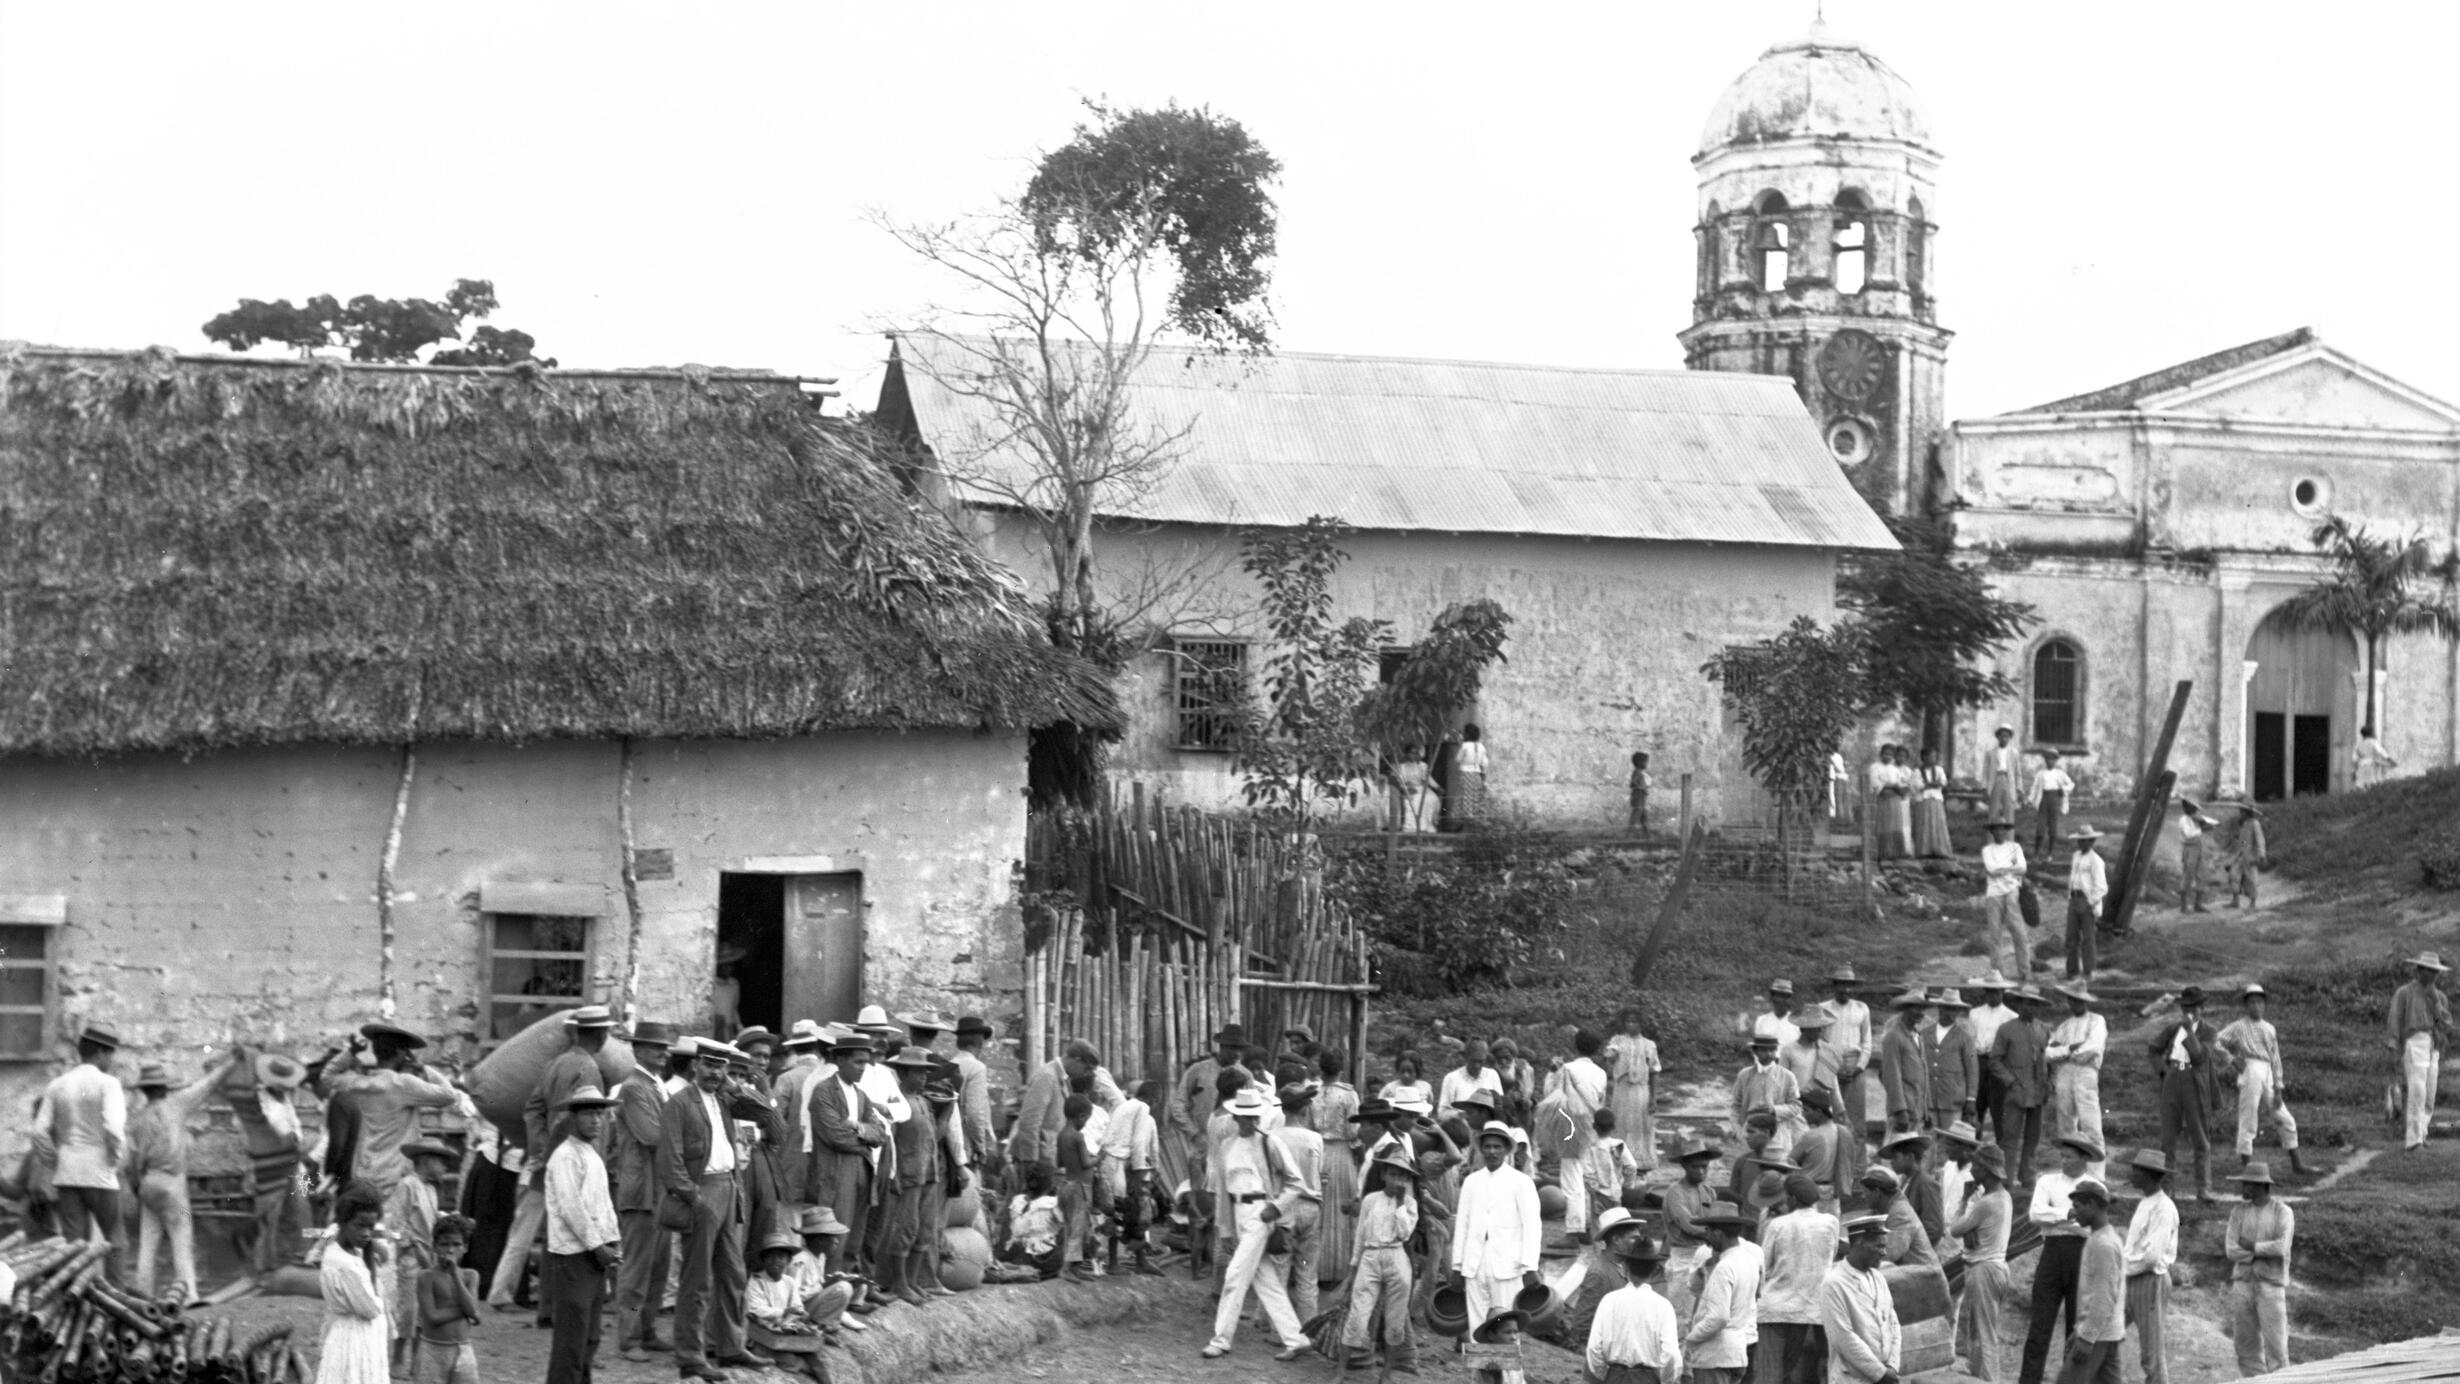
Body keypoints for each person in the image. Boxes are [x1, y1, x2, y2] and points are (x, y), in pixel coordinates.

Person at [661, 1038, 771, 1382]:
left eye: (721, 1066)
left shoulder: (725, 1099)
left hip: (728, 1187)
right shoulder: (679, 1103)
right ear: (695, 1066)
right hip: (701, 1192)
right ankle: (691, 1356)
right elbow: (670, 1160)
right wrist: (694, 1197)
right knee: (697, 1280)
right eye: (709, 1065)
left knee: (733, 1273)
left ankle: (730, 1345)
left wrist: (735, 1085)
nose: (714, 1072)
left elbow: (766, 1112)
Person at [1200, 1088, 1311, 1362]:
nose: (1247, 1121)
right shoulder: (1227, 1146)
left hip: (1260, 1212)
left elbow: (1296, 1181)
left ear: (1258, 1117)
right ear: (1235, 1117)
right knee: (1266, 1280)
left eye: (1252, 1116)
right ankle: (1296, 1338)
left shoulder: (1269, 1143)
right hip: (1237, 1212)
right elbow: (1224, 1192)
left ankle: (1221, 1339)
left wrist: (1275, 1208)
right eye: (1242, 1116)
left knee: (1235, 1274)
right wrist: (1225, 1229)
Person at [127, 1051, 238, 1302]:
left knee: (148, 1239)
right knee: (182, 1235)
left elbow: (132, 1162)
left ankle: (143, 1293)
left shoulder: (138, 1119)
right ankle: (189, 1295)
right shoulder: (177, 1104)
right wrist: (232, 1061)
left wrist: (137, 1186)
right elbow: (208, 1084)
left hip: (148, 1182)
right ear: (163, 1087)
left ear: (145, 1091)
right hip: (172, 1184)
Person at [320, 1022, 459, 1198]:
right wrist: (423, 1067)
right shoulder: (404, 1084)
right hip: (396, 1174)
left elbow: (328, 1076)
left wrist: (351, 1052)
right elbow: (449, 1095)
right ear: (402, 1053)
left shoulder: (362, 1082)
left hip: (365, 1171)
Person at [542, 1085, 622, 1384]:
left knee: (590, 1335)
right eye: (588, 1114)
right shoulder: (564, 1157)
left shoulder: (591, 1155)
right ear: (573, 1118)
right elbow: (571, 1207)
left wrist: (613, 1242)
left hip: (595, 1255)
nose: (595, 1121)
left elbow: (603, 1204)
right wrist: (596, 1244)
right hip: (572, 1255)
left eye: (600, 1114)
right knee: (571, 1338)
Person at [33, 1023, 127, 1273]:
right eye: (110, 1054)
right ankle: (116, 1300)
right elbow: (114, 1128)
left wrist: (55, 1159)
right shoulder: (108, 1084)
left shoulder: (57, 1085)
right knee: (114, 1240)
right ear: (100, 1053)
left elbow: (39, 1131)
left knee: (74, 1245)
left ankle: (76, 1300)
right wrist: (113, 1159)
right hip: (99, 1170)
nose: (111, 1060)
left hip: (67, 1172)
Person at [611, 1021, 676, 1361]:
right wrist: (684, 1134)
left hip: (659, 1191)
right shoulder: (634, 1088)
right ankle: (629, 1337)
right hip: (642, 1191)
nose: (663, 1053)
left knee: (658, 1268)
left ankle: (647, 1330)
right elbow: (652, 1136)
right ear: (637, 1050)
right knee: (637, 1269)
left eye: (665, 1047)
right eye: (655, 1047)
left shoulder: (656, 1086)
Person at [1449, 1121, 1543, 1353]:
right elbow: (1463, 1225)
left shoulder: (1521, 1182)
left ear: (1506, 1150)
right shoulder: (1472, 1182)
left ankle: (1511, 1378)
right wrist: (1457, 1265)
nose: (1492, 1152)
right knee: (1477, 1328)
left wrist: (1530, 1265)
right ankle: (1482, 1377)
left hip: (1507, 1265)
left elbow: (1532, 1226)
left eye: (1497, 1147)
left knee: (1507, 1329)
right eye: (1488, 1146)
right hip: (1475, 1264)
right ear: (1481, 1148)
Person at [2017, 1135, 2100, 1384]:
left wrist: (2056, 1217)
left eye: (2070, 1157)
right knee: (2040, 1324)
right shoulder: (2047, 1182)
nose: (2064, 1161)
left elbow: (2090, 1227)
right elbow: (2035, 1214)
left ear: (2084, 1158)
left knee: (2075, 1327)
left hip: (2082, 1255)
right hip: (2052, 1253)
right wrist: (2068, 1213)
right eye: (2062, 1156)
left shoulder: (2095, 1187)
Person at [806, 1030, 883, 1288]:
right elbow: (834, 1136)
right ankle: (829, 1292)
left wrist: (857, 1127)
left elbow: (880, 1133)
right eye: (858, 1062)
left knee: (855, 1236)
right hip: (836, 1172)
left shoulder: (861, 1096)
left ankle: (850, 1292)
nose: (864, 1068)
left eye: (866, 1062)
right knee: (835, 1234)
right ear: (840, 1061)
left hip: (862, 1169)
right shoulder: (824, 1092)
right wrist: (864, 1140)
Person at [1341, 1145, 1420, 1373]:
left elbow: (1405, 1233)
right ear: (1384, 1174)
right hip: (1370, 1256)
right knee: (1357, 1316)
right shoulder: (1370, 1200)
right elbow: (1360, 1236)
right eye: (1393, 1174)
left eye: (1403, 1176)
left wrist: (1399, 1204)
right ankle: (1341, 1372)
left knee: (1395, 1321)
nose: (1397, 1180)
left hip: (1396, 1255)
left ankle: (1386, 1374)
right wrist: (1353, 1267)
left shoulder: (1410, 1204)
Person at [878, 1045, 944, 1301]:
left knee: (925, 1228)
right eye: (917, 1073)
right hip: (908, 1172)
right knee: (906, 1226)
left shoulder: (924, 1102)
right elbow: (890, 1139)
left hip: (928, 1171)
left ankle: (914, 1280)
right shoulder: (896, 1101)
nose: (923, 1077)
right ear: (903, 1073)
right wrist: (893, 1173)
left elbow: (932, 1137)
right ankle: (899, 1282)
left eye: (925, 1073)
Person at [2149, 988, 2226, 1203]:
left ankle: (2203, 1189)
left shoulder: (2209, 1031)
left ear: (2203, 1009)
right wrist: (2163, 1070)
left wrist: (2190, 1032)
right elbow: (2154, 1048)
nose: (2190, 1012)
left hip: (2195, 1081)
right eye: (2186, 1008)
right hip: (2173, 1077)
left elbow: (2200, 1056)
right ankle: (2167, 1188)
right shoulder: (2173, 1028)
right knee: (2167, 1138)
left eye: (2195, 1008)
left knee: (2200, 1137)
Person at [2216, 986, 2304, 1173]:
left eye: (2259, 1002)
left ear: (2264, 1005)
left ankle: (2296, 1163)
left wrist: (2279, 1088)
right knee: (2249, 1117)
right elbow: (2217, 1041)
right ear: (2246, 1006)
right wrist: (2232, 1060)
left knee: (2284, 1117)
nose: (2256, 1006)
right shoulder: (2239, 1026)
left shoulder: (2269, 1028)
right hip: (2250, 1069)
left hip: (2267, 1072)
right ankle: (2247, 1165)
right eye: (2252, 1003)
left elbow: (2275, 1058)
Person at [1753, 1180, 1832, 1384]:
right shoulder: (1831, 1223)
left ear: (1793, 1199)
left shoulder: (1777, 1224)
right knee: (1792, 1369)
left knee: (1768, 1373)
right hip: (1809, 1310)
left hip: (1775, 1309)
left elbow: (1764, 1267)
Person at [1950, 1146, 2014, 1384]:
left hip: (1983, 1270)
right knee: (1979, 1334)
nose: (1972, 1170)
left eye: (1976, 1166)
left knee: (1984, 1336)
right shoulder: (2003, 1197)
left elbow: (1955, 1229)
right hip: (1995, 1268)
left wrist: (1965, 1198)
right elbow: (1971, 1232)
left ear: (1986, 1170)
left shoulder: (1985, 1203)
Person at [2224, 1163, 2294, 1377]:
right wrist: (2261, 1252)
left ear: (2261, 1185)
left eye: (2248, 1184)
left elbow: (2281, 1247)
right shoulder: (2238, 1212)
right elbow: (2231, 1250)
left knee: (2277, 1349)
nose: (2243, 1188)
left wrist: (2253, 1247)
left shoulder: (2282, 1212)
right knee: (2245, 1346)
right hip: (2243, 1284)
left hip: (2270, 1286)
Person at [319, 1182, 394, 1384]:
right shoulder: (343, 1264)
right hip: (352, 1338)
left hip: (363, 1335)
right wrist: (379, 1300)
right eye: (360, 1225)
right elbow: (370, 1309)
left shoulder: (355, 1252)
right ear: (342, 1223)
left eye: (371, 1226)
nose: (366, 1233)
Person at [386, 1141, 451, 1373]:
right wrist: (413, 1246)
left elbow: (432, 1220)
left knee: (425, 1310)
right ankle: (397, 1359)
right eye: (440, 1161)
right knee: (408, 1309)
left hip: (429, 1255)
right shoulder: (408, 1185)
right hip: (410, 1256)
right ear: (425, 1161)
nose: (444, 1166)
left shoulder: (431, 1190)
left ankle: (416, 1360)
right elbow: (397, 1222)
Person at [1265, 1082, 1326, 1326]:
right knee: (1306, 1271)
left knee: (1279, 1269)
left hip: (1284, 1208)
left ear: (1284, 1109)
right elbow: (1321, 1175)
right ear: (1303, 1110)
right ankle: (1308, 1326)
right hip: (1310, 1207)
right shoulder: (1315, 1139)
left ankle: (1279, 1329)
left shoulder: (1272, 1138)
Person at [2114, 1150, 2176, 1384]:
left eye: (2136, 1170)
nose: (2131, 1173)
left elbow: (2151, 1257)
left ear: (2148, 1175)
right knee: (2107, 1333)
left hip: (2150, 1279)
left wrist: (2124, 1269)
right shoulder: (2145, 1203)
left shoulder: (2164, 1208)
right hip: (2132, 1278)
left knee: (2151, 1352)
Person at [1820, 1212, 1903, 1384]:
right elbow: (1842, 1337)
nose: (1884, 1253)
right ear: (1860, 1243)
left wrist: (1893, 1366)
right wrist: (1880, 1373)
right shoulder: (1834, 1283)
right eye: (1879, 1246)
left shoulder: (1878, 1277)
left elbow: (1893, 1323)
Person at [1590, 1231, 1683, 1384]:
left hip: (1615, 1376)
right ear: (1655, 1270)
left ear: (1625, 1267)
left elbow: (1594, 1348)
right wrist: (1667, 1380)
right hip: (1647, 1378)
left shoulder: (1610, 1301)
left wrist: (1603, 1376)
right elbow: (1671, 1354)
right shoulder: (1663, 1306)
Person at [2057, 1179, 2125, 1384]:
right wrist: (2080, 1330)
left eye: (2077, 1207)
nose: (2074, 1213)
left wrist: (2086, 1337)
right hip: (2106, 1333)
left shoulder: (2104, 1244)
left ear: (2092, 1205)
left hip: (2098, 1336)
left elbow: (2104, 1297)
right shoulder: (2099, 1238)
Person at [1547, 1030, 1611, 1235]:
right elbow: (1601, 1102)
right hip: (1592, 1126)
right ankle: (1589, 1226)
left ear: (1576, 1046)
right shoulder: (1601, 1073)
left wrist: (1551, 1072)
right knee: (1587, 1175)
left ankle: (1574, 1230)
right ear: (1598, 1049)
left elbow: (1550, 1095)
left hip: (1569, 1125)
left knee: (1571, 1177)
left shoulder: (1565, 1069)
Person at [743, 1230, 827, 1383]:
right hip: (762, 1334)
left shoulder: (789, 1281)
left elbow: (796, 1306)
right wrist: (783, 1311)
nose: (776, 1261)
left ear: (788, 1261)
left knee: (814, 1358)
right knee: (788, 1358)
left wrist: (799, 1314)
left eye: (781, 1257)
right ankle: (799, 1366)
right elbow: (754, 1309)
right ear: (764, 1260)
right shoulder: (757, 1281)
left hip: (784, 1331)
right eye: (771, 1257)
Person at [2388, 951, 2451, 1152]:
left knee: (2430, 1094)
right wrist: (2393, 1044)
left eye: (2436, 971)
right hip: (2414, 1042)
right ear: (2420, 970)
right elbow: (2395, 1019)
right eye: (2430, 970)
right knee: (2417, 1090)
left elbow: (2446, 1023)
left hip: (2433, 1045)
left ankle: (2422, 1133)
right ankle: (2413, 1140)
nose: (2434, 975)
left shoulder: (2439, 996)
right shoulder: (2405, 992)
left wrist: (2436, 1003)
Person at [1099, 1076, 1161, 1276]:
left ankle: (1138, 1260)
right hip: (1116, 1162)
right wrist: (1143, 1175)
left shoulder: (1126, 1106)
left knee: (1127, 1210)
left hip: (1115, 1161)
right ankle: (1114, 1263)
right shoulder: (1143, 1109)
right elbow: (1138, 1143)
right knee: (1119, 1211)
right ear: (1154, 1100)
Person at [1990, 987, 2052, 1185]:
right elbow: (1995, 1061)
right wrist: (2010, 1081)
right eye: (2026, 1002)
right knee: (2009, 1137)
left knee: (2033, 1138)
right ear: (2018, 1004)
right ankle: (2006, 1178)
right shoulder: (2006, 1029)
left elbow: (2048, 1058)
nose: (2030, 1007)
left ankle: (2028, 1176)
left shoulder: (2043, 1029)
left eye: (2034, 1003)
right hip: (2015, 1093)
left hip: (2038, 1092)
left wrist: (2049, 1081)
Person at [414, 1215, 483, 1384]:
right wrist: (467, 1312)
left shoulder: (470, 1276)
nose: (450, 1250)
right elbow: (433, 1317)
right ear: (435, 1247)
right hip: (433, 1349)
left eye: (456, 1244)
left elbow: (473, 1311)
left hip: (463, 1349)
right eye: (444, 1244)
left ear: (465, 1247)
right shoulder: (426, 1277)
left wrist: (455, 1276)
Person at [2047, 985, 2108, 1174]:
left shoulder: (2096, 1021)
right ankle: (2070, 1169)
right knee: (2065, 1121)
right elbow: (2048, 1052)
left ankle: (2096, 1175)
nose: (2075, 1003)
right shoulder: (2064, 1026)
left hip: (2086, 1072)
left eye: (2079, 1000)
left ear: (2086, 1002)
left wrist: (2066, 1051)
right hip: (2064, 1072)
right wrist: (2069, 1049)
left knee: (2090, 1122)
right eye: (2072, 1000)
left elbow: (2092, 1048)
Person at [1825, 966, 1874, 1184]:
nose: (1845, 989)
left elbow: (1867, 1042)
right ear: (1834, 986)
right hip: (1831, 1066)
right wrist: (1832, 1067)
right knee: (1832, 1118)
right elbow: (1821, 1042)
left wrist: (1859, 1067)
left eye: (1848, 985)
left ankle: (1857, 1174)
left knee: (1857, 1124)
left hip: (1855, 1067)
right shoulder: (1824, 1009)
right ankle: (1832, 1171)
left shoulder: (1861, 1009)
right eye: (1840, 984)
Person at [1662, 1138, 1718, 1323]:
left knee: (1703, 1313)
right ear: (1685, 1166)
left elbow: (1717, 1218)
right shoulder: (1675, 1192)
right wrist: (1715, 1233)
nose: (1701, 1171)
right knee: (1680, 1315)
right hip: (1683, 1255)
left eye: (1704, 1167)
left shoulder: (1708, 1191)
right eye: (1696, 1167)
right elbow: (1688, 1225)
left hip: (1705, 1254)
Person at [787, 1206, 863, 1340]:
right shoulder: (800, 1260)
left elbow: (816, 1282)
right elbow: (792, 1297)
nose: (837, 1241)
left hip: (810, 1304)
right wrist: (825, 1286)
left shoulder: (820, 1256)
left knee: (857, 1285)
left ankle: (827, 1322)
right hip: (799, 1311)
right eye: (833, 1238)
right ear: (819, 1240)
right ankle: (816, 1326)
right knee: (843, 1289)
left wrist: (834, 1279)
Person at [1604, 1011, 1662, 1172]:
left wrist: (1653, 1098)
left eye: (1635, 1021)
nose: (1631, 1025)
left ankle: (1640, 1160)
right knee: (1621, 1122)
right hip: (1622, 1088)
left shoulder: (1649, 1044)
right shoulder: (1618, 1040)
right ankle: (1619, 1159)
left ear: (1641, 1024)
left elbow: (1654, 1071)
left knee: (1640, 1125)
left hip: (1640, 1090)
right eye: (1628, 1021)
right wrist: (1613, 1052)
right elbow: (1609, 1056)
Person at [1980, 820, 2032, 978]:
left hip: (2011, 890)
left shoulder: (2014, 847)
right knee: (1995, 934)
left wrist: (2003, 869)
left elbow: (2022, 868)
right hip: (1994, 893)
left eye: (2002, 829)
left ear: (2006, 831)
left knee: (2019, 932)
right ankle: (1997, 973)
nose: (1999, 832)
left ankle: (2025, 971)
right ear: (1992, 832)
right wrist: (2010, 869)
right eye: (1996, 830)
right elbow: (1991, 870)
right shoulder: (1988, 850)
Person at [1860, 1166, 1936, 1269]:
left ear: (1877, 1192)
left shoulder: (1900, 1212)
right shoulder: (1879, 1210)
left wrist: (1856, 1251)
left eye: (1865, 1192)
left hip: (1923, 1275)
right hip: (1906, 1272)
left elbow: (1892, 1252)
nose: (1863, 1197)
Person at [1879, 991, 1932, 1136]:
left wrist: (1927, 1110)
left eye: (1922, 1009)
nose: (1920, 1013)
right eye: (1916, 1008)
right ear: (1906, 1009)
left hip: (1917, 1109)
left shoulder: (1917, 1036)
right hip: (1904, 1112)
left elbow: (1924, 1075)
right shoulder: (1894, 1036)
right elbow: (1891, 1076)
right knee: (1897, 1151)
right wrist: (1899, 1110)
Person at [1928, 991, 1979, 1134]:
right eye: (1945, 1008)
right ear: (1938, 1008)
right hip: (1929, 1099)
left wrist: (1971, 1098)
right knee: (1928, 1142)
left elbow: (1972, 1070)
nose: (1948, 1013)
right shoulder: (1925, 1034)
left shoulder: (1964, 1038)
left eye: (1953, 1009)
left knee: (1949, 1142)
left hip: (1952, 1100)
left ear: (1958, 1011)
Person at [2062, 826, 2108, 982]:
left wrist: (2091, 902)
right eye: (2079, 841)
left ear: (2092, 841)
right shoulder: (2076, 856)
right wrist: (2069, 896)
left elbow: (2101, 886)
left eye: (2085, 841)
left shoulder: (2096, 860)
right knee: (2071, 937)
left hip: (2086, 899)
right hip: (2074, 898)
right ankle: (2072, 971)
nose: (2081, 844)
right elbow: (2073, 878)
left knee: (2088, 938)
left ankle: (2089, 970)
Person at [1002, 1163, 1065, 1278]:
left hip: (1020, 1257)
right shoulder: (1052, 1203)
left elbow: (1010, 1231)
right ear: (1050, 1184)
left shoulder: (1017, 1201)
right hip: (1045, 1261)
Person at [2215, 803, 2269, 909]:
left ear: (2247, 813)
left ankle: (2252, 903)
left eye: (2242, 812)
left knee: (2251, 879)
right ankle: (2235, 901)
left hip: (2251, 857)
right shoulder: (2244, 824)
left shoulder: (2254, 823)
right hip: (2240, 856)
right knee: (2233, 874)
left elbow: (2260, 840)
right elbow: (2243, 841)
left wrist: (2262, 855)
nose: (2240, 814)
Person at [2026, 750, 2073, 860]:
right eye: (2048, 759)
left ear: (2056, 761)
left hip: (2055, 799)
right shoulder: (2041, 774)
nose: (2050, 762)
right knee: (2040, 828)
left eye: (2052, 759)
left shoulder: (2060, 773)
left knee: (2053, 828)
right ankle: (2036, 853)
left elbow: (2071, 784)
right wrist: (2029, 800)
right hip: (2044, 799)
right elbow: (2035, 788)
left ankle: (2049, 854)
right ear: (2045, 760)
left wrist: (2064, 790)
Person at [1439, 1039, 1500, 1125]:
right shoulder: (1452, 1078)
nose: (1477, 1065)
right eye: (1473, 1061)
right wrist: (1462, 1115)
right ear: (1465, 1057)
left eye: (1481, 1061)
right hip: (1461, 1130)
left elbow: (1500, 1107)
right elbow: (1441, 1113)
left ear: (1486, 1059)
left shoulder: (1492, 1075)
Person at [1870, 746, 1911, 862]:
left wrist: (1899, 788)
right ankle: (1882, 852)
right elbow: (1875, 783)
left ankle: (1895, 852)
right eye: (1885, 753)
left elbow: (1901, 784)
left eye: (1890, 754)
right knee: (1884, 825)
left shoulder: (1895, 769)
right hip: (1883, 799)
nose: (1887, 756)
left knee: (1895, 825)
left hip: (1895, 800)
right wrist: (1891, 785)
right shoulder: (1875, 767)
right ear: (1881, 754)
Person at [1911, 747, 1953, 860]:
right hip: (1923, 800)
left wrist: (1928, 784)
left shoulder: (1939, 769)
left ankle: (1940, 850)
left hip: (1936, 799)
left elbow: (1943, 782)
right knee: (1924, 824)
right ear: (1923, 758)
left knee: (1938, 824)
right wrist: (1933, 784)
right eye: (1930, 756)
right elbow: (1918, 786)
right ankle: (1924, 850)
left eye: (1934, 756)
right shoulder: (1917, 771)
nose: (1933, 759)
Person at [2176, 800, 2217, 913]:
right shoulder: (2183, 820)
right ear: (2187, 808)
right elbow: (2189, 834)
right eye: (2194, 808)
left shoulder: (2195, 818)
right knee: (2188, 876)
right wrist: (2202, 829)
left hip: (2198, 847)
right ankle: (2183, 906)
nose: (2196, 810)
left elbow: (2203, 827)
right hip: (2189, 849)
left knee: (2203, 875)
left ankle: (2197, 904)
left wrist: (2206, 824)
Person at [1450, 722, 1490, 825]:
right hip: (1477, 775)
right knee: (1475, 796)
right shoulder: (1481, 747)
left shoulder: (1465, 746)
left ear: (1467, 734)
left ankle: (1466, 817)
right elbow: (1484, 763)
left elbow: (1458, 759)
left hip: (1466, 774)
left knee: (1465, 795)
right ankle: (1475, 817)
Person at [1392, 742, 1435, 832]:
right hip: (1407, 789)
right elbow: (1400, 781)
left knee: (1430, 798)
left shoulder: (1422, 766)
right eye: (1411, 753)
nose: (1413, 755)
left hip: (1421, 788)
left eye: (1416, 753)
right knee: (1415, 799)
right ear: (1406, 754)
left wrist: (1437, 787)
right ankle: (1411, 826)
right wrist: (1406, 789)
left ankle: (1426, 825)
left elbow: (1427, 780)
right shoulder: (1401, 767)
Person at [1984, 724, 2020, 822]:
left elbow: (2017, 772)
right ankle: (1991, 836)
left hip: (2008, 780)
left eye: (2007, 736)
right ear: (1998, 737)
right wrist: (1985, 787)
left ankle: (2009, 836)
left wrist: (2019, 788)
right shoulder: (1990, 753)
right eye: (2002, 736)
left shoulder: (2014, 753)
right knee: (1993, 809)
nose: (2004, 739)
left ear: (2010, 738)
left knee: (2009, 809)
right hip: (1996, 779)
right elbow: (1985, 772)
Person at [1629, 750, 1654, 837]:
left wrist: (1645, 787)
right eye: (1646, 762)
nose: (1647, 764)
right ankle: (1630, 834)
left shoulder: (1641, 773)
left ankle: (1647, 835)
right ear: (1640, 763)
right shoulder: (1637, 772)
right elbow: (1632, 783)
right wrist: (1643, 788)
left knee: (1644, 816)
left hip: (1642, 798)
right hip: (1638, 797)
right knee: (1637, 815)